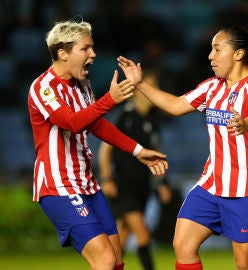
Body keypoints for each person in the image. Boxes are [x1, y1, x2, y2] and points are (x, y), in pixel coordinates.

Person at [118, 26, 248, 270]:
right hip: (211, 184)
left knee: (245, 265)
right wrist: (139, 83)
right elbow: (174, 105)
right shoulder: (211, 87)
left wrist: (246, 122)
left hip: (247, 188)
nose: (210, 56)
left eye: (217, 49)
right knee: (183, 246)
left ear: (238, 54)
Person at [27, 18, 168, 270]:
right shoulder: (43, 87)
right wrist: (109, 100)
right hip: (58, 185)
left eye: (92, 47)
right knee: (103, 259)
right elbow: (71, 122)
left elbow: (96, 124)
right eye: (85, 48)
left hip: (88, 184)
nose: (93, 54)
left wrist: (137, 150)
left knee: (115, 260)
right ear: (63, 53)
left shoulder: (83, 85)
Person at [98, 70, 172, 270]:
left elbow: (157, 153)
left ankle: (108, 266)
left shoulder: (154, 120)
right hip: (123, 186)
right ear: (138, 90)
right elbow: (105, 149)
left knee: (121, 238)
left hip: (142, 187)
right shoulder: (125, 116)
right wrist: (106, 179)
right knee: (143, 235)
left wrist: (162, 183)